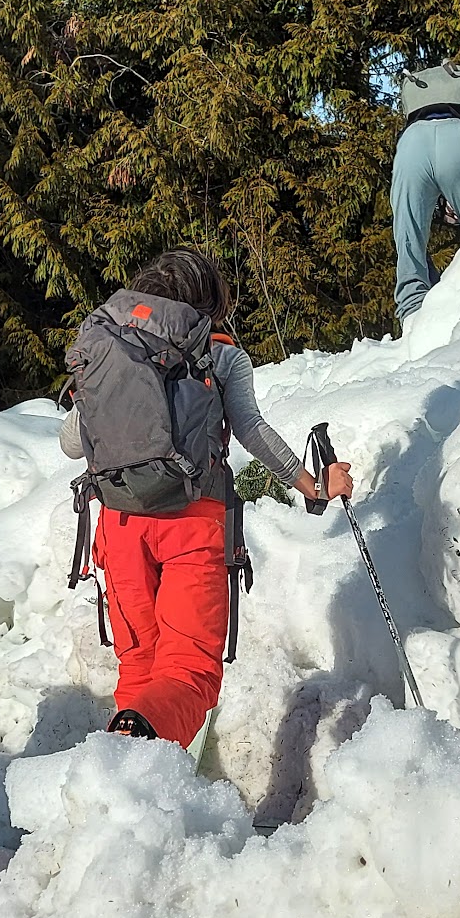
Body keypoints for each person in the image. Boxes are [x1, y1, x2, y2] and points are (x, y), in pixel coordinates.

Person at [60, 249, 352, 747]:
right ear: (208, 303)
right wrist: (315, 486)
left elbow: (71, 442)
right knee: (188, 671)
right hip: (193, 523)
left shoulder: (111, 348)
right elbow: (251, 431)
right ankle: (140, 747)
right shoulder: (221, 354)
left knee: (139, 665)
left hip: (119, 524)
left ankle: (121, 770)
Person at [393, 58, 460, 322]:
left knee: (409, 233)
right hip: (457, 135)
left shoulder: (414, 119)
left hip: (411, 143)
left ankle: (411, 309)